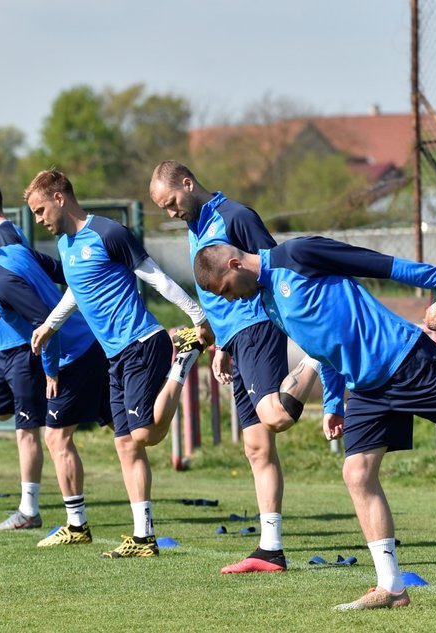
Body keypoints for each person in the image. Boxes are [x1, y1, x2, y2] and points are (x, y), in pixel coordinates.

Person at [194, 237, 436, 610]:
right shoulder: (270, 303)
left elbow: (375, 262)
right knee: (357, 474)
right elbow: (325, 347)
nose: (229, 299)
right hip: (365, 387)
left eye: (225, 290)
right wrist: (334, 403)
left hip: (402, 360)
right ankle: (392, 587)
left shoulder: (296, 255)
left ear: (235, 265)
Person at [26, 169, 210, 559]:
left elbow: (156, 278)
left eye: (41, 210)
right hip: (114, 357)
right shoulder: (65, 245)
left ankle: (183, 361)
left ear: (59, 198)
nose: (39, 219)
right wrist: (49, 325)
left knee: (143, 436)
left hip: (143, 343)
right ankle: (143, 538)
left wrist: (197, 317)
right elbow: (78, 292)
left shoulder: (109, 233)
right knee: (126, 445)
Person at [149, 160, 321, 574]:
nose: (170, 212)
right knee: (255, 447)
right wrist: (221, 345)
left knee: (274, 419)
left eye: (171, 202)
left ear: (188, 184)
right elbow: (214, 294)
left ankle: (319, 356)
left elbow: (273, 268)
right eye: (163, 208)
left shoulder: (237, 217)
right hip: (234, 342)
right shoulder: (195, 227)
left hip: (258, 327)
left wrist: (291, 323)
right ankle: (270, 550)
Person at [0, 219, 111, 546]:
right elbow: (60, 273)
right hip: (87, 344)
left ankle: (77, 526)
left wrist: (50, 371)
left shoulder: (0, 281)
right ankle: (175, 373)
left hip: (73, 354)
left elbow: (45, 325)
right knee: (135, 433)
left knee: (57, 439)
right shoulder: (11, 253)